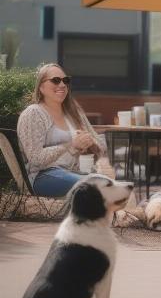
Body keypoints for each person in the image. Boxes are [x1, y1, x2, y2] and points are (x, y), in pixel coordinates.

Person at [17, 63, 108, 197]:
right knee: (93, 185)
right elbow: (36, 158)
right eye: (55, 80)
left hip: (73, 172)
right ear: (41, 87)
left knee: (108, 184)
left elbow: (101, 145)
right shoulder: (34, 113)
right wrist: (70, 144)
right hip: (42, 176)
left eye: (65, 81)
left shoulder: (73, 112)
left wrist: (89, 143)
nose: (62, 85)